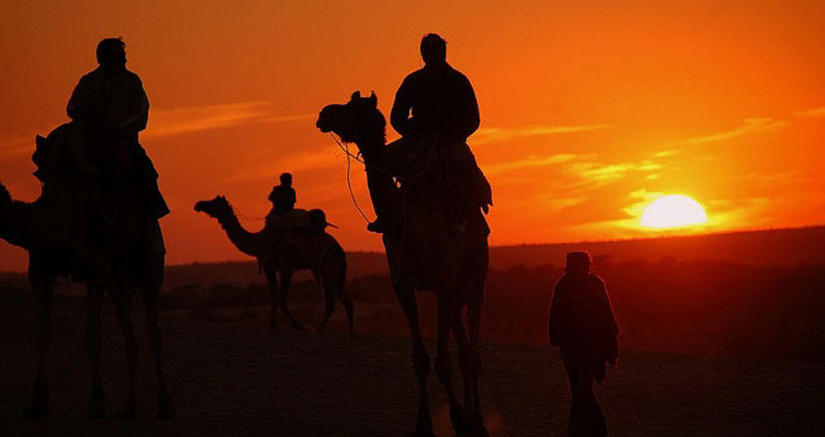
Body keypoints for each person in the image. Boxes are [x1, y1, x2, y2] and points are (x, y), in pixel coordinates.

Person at [367, 33, 490, 233]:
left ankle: (467, 216)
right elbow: (397, 116)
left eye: (434, 48)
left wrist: (453, 136)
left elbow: (473, 119)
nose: (430, 52)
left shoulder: (458, 81)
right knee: (380, 164)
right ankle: (387, 214)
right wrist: (413, 133)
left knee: (465, 168)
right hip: (418, 139)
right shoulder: (413, 81)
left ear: (444, 51)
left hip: (451, 140)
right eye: (426, 48)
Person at [67, 37, 169, 220]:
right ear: (104, 58)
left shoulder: (132, 82)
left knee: (146, 172)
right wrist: (89, 117)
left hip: (122, 140)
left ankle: (149, 228)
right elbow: (73, 108)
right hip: (90, 138)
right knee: (56, 151)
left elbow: (141, 110)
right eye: (119, 56)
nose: (124, 60)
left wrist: (120, 127)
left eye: (124, 56)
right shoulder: (89, 82)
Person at [548, 251, 619, 437]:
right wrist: (558, 341)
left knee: (582, 391)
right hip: (570, 347)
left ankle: (575, 431)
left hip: (592, 347)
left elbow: (607, 317)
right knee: (578, 391)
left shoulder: (595, 284)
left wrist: (609, 350)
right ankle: (599, 430)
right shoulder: (563, 285)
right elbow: (554, 316)